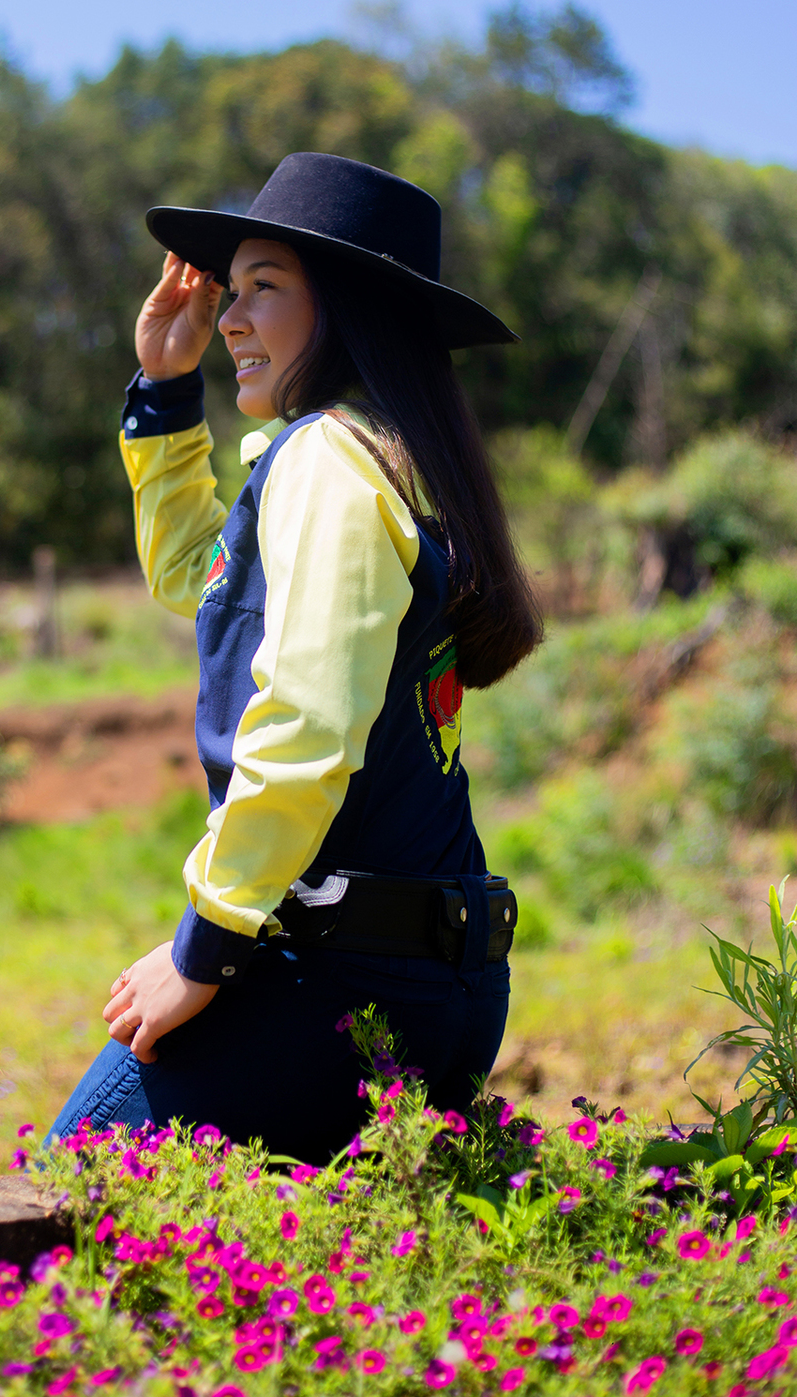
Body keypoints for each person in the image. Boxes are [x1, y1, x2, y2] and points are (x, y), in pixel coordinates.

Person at [47, 152, 542, 1162]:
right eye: (231, 295)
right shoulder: (389, 459)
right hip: (442, 975)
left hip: (346, 979)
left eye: (263, 290)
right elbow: (203, 575)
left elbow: (304, 726)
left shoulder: (325, 462)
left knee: (74, 1182)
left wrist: (204, 950)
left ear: (347, 307)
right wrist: (165, 387)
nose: (229, 318)